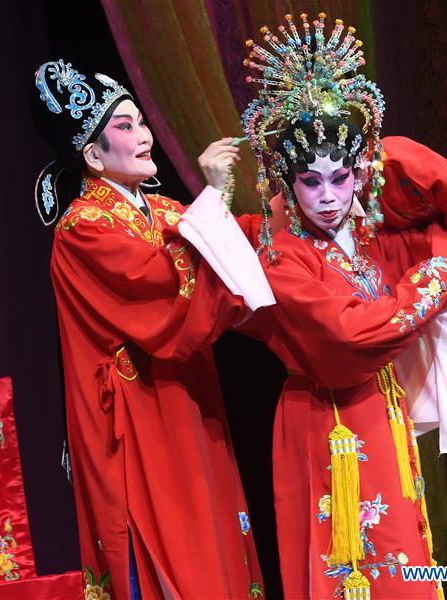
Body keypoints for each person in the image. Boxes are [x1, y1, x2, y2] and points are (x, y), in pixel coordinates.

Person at [229, 13, 447, 600]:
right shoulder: (277, 247)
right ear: (283, 179)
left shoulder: (376, 234)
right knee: (344, 570)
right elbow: (345, 341)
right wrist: (430, 276)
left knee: (404, 563)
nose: (328, 198)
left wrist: (390, 155)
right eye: (310, 181)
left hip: (381, 409)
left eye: (343, 177)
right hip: (321, 420)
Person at [31, 59, 273, 599]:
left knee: (214, 547)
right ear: (93, 155)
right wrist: (213, 201)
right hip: (136, 421)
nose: (143, 136)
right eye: (125, 126)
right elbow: (163, 287)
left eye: (142, 123)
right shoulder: (83, 229)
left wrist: (292, 207)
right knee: (162, 555)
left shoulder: (164, 211)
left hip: (188, 404)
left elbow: (234, 254)